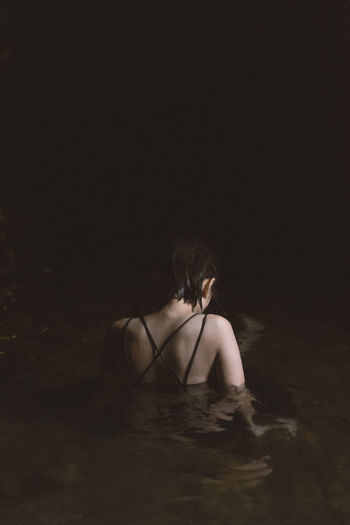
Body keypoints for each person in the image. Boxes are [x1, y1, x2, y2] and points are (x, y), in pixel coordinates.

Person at [105, 237, 245, 391]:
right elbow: (237, 396)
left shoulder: (120, 329)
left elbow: (106, 390)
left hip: (139, 413)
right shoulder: (217, 327)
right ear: (207, 285)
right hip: (196, 414)